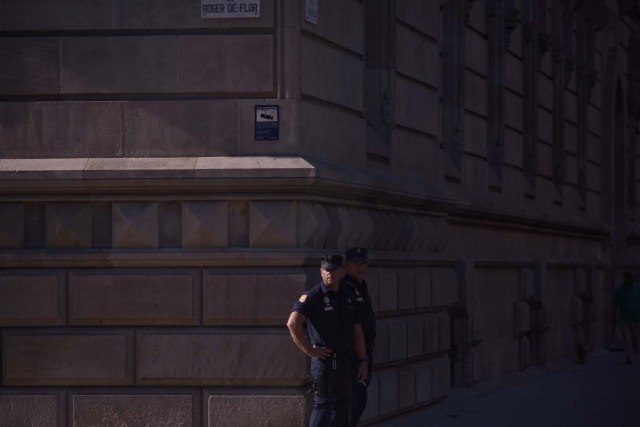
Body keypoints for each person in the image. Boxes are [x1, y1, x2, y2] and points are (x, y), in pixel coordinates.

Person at [287, 254, 368, 427]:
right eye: (327, 270)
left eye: (334, 269)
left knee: (342, 408)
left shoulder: (348, 297)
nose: (330, 273)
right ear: (321, 272)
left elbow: (358, 332)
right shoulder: (313, 296)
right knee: (322, 407)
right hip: (325, 362)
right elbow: (292, 323)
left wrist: (363, 360)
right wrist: (310, 350)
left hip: (346, 361)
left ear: (342, 271)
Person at [343, 247, 375, 426]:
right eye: (356, 263)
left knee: (359, 399)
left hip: (366, 350)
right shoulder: (346, 288)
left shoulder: (362, 287)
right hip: (354, 354)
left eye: (363, 263)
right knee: (355, 400)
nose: (360, 267)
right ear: (347, 265)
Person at [613, 270, 640, 364]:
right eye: (630, 278)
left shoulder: (638, 288)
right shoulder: (620, 291)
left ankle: (633, 352)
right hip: (624, 319)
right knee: (627, 338)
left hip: (636, 318)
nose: (632, 280)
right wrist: (614, 317)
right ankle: (630, 356)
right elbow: (615, 304)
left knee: (635, 339)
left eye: (633, 278)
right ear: (626, 279)